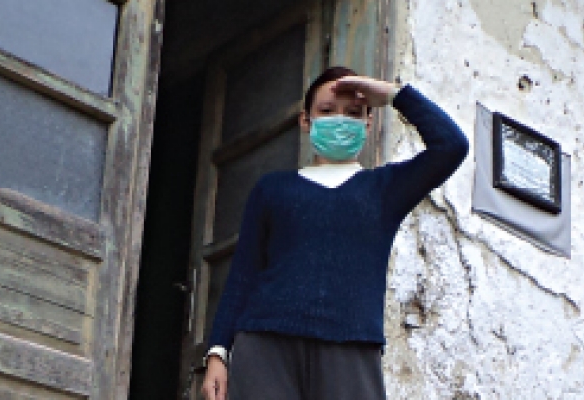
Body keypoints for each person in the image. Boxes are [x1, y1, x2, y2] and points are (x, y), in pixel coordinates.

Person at [201, 66, 469, 400]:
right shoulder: (272, 189)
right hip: (265, 345)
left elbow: (451, 146)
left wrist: (392, 94)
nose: (340, 120)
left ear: (368, 123)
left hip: (351, 348)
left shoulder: (385, 189)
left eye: (353, 113)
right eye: (327, 111)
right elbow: (243, 274)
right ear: (306, 120)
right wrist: (217, 352)